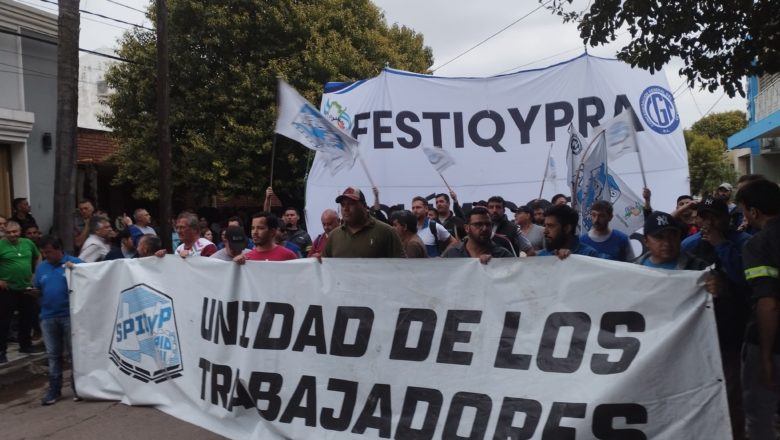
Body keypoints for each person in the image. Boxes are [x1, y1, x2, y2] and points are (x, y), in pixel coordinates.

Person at [681, 196, 751, 440]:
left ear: (726, 219)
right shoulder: (689, 246)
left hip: (732, 336)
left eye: (714, 217)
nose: (708, 222)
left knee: (732, 398)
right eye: (703, 217)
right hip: (697, 337)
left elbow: (746, 280)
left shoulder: (744, 243)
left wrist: (721, 245)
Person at [735, 179, 780, 440]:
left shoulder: (756, 245)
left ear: (753, 212)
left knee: (760, 419)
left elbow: (768, 303)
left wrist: (764, 357)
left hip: (772, 346)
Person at [32, 235, 81, 405]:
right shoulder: (41, 268)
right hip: (48, 316)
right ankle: (54, 389)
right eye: (44, 252)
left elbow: (92, 280)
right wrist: (34, 292)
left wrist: (75, 270)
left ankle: (79, 387)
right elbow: (37, 287)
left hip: (69, 315)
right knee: (53, 355)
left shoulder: (75, 263)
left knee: (74, 353)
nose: (47, 255)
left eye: (49, 252)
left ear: (59, 250)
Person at [0, 220, 42, 363]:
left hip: (26, 287)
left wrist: (35, 273)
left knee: (27, 318)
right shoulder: (1, 245)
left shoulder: (27, 243)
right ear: (5, 233)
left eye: (15, 232)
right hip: (8, 289)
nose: (12, 235)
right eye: (9, 232)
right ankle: (1, 351)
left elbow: (38, 256)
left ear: (19, 232)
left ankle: (26, 345)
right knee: (4, 321)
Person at [323, 187, 405, 258]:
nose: (345, 209)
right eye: (343, 205)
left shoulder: (387, 232)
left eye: (351, 204)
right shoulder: (334, 236)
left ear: (364, 206)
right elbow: (325, 267)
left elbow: (402, 267)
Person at [634, 212, 707, 270]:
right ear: (646, 241)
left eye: (672, 236)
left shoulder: (699, 268)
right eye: (659, 237)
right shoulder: (633, 271)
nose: (667, 243)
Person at [442, 206, 513, 264]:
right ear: (467, 228)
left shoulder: (502, 255)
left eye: (488, 224)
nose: (484, 228)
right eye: (478, 224)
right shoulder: (452, 254)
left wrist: (494, 263)